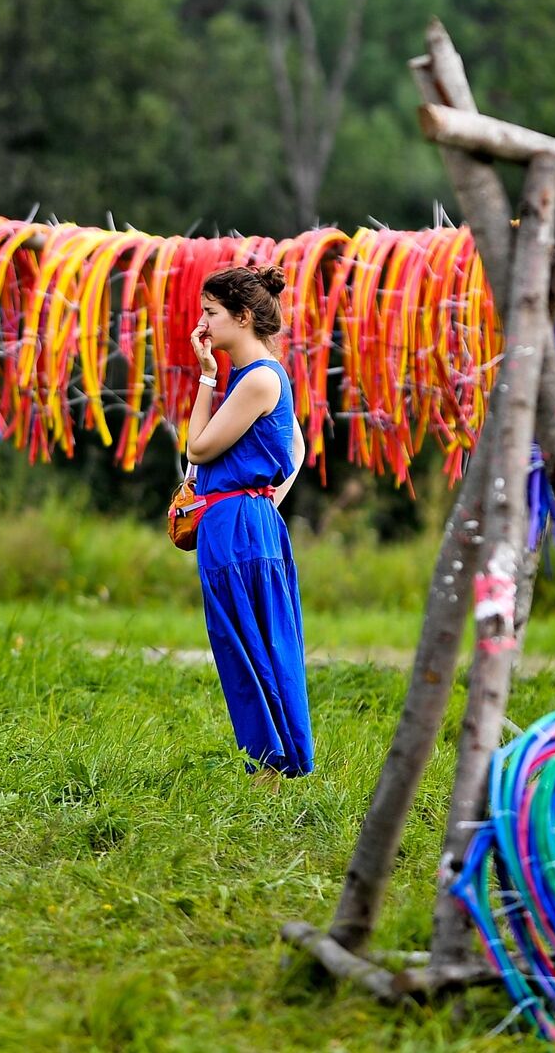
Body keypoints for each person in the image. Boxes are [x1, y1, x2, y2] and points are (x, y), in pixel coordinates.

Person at [184, 265, 314, 783]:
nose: (203, 324)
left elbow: (198, 446)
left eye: (211, 313)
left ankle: (272, 767)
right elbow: (297, 447)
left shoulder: (256, 377)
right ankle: (273, 763)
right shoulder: (264, 375)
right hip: (244, 519)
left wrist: (206, 377)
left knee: (249, 647)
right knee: (256, 640)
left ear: (241, 317)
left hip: (237, 524)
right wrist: (263, 502)